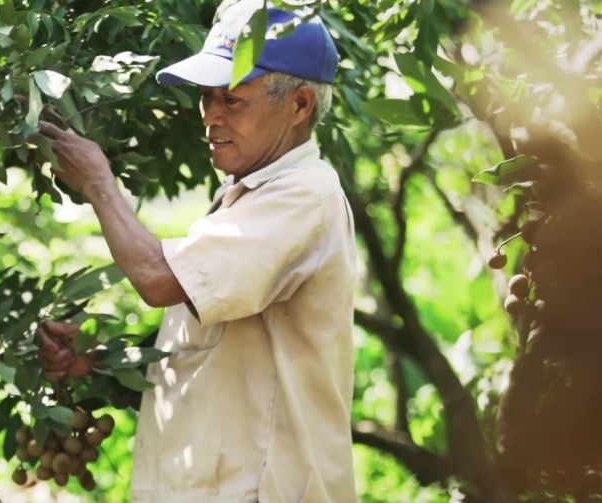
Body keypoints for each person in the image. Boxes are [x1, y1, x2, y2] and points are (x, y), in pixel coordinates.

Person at [34, 0, 359, 501]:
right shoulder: (248, 198)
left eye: (232, 99)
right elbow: (206, 348)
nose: (210, 116)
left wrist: (99, 183)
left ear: (299, 105)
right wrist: (95, 361)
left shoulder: (304, 196)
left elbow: (158, 279)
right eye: (206, 98)